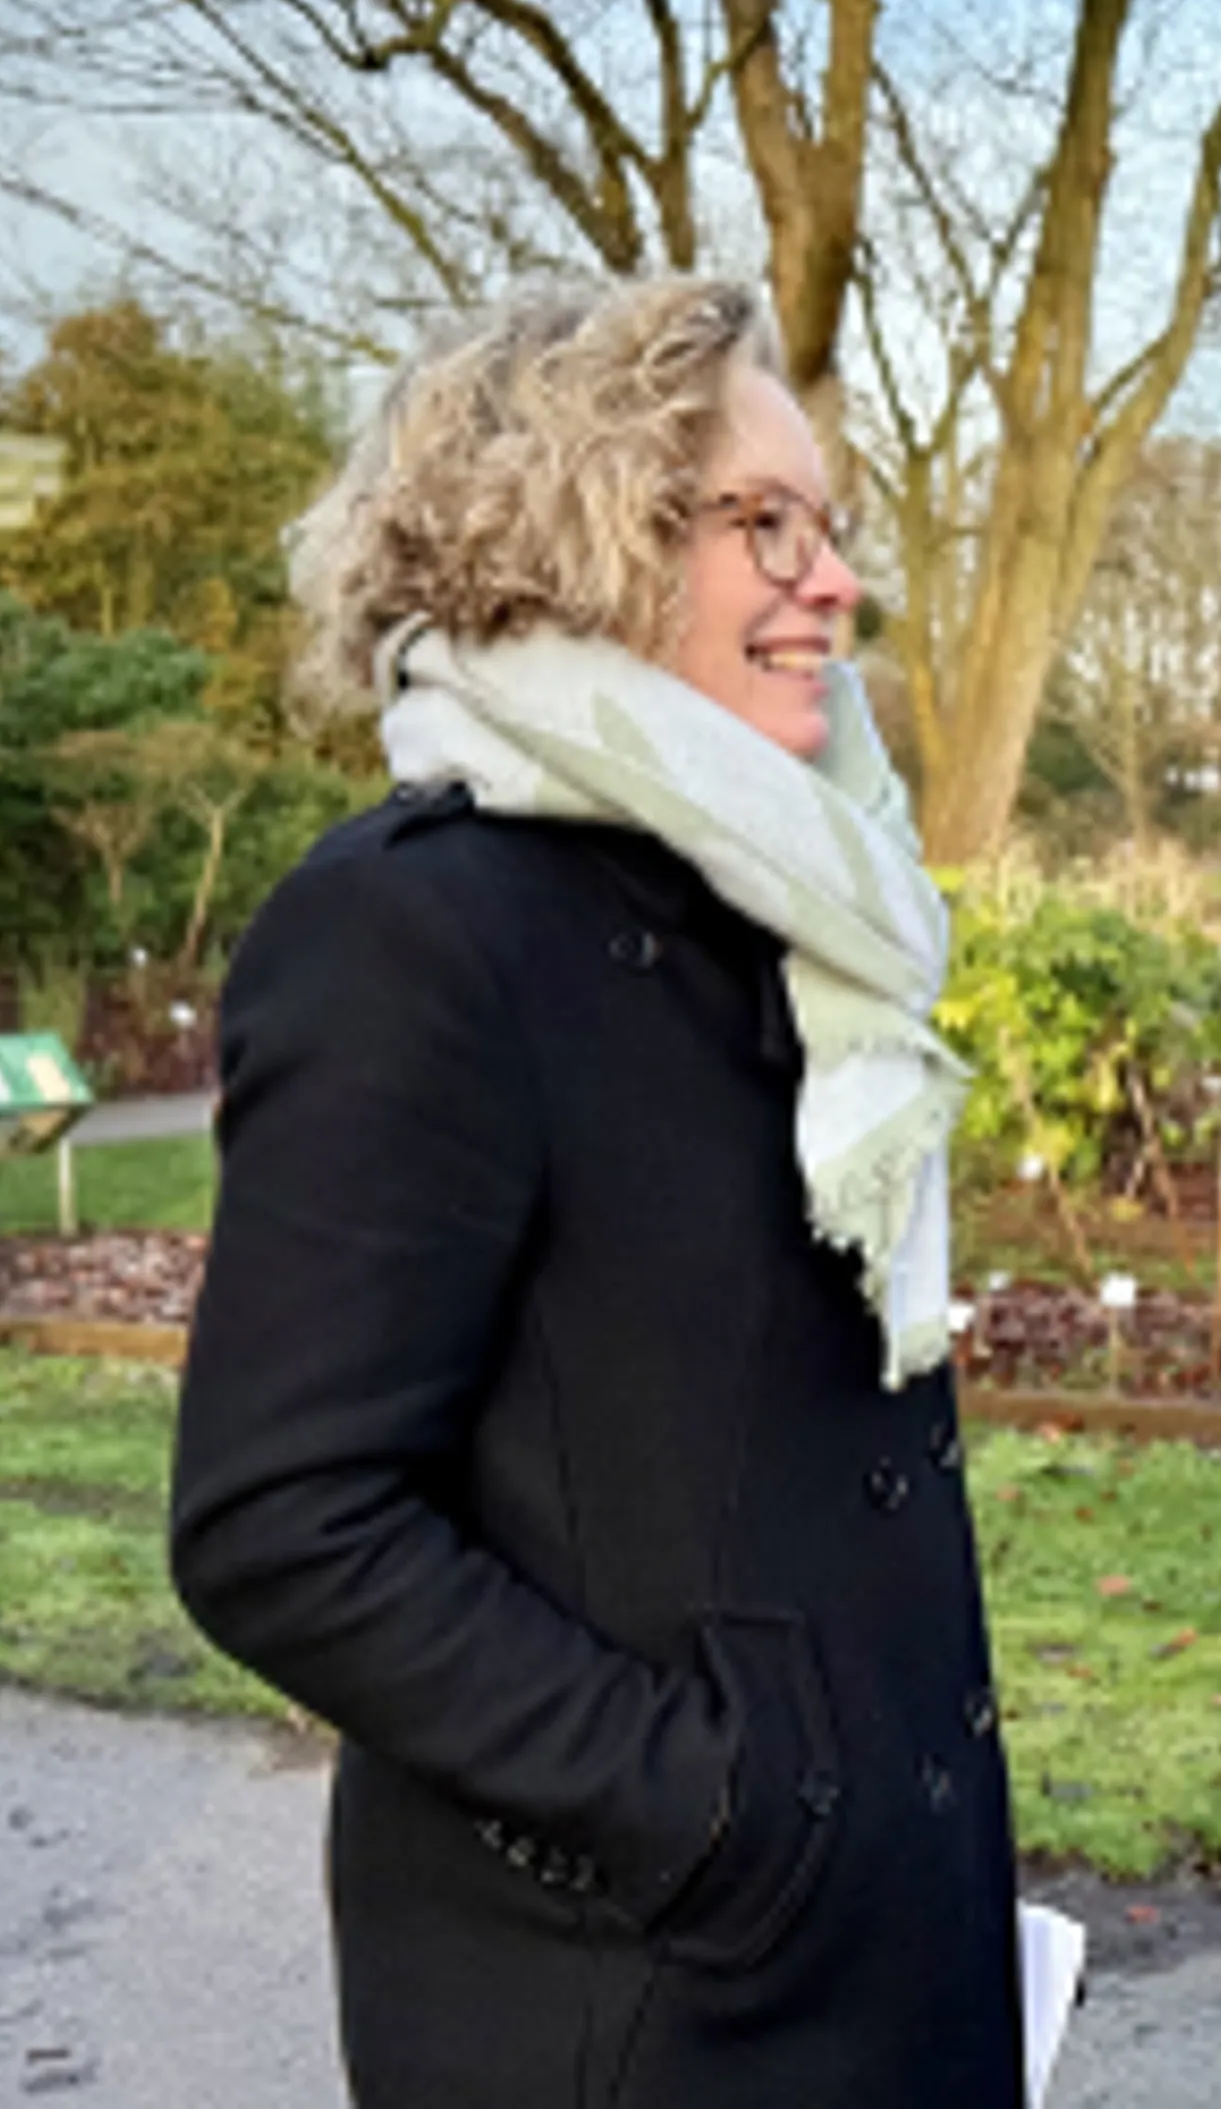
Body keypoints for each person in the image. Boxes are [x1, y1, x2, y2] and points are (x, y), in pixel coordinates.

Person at [168, 277, 1021, 2106]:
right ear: (573, 527)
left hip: (877, 1951)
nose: (832, 584)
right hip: (639, 2005)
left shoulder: (788, 908)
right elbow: (284, 1519)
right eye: (762, 525)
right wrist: (705, 1804)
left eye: (831, 529)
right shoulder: (412, 931)